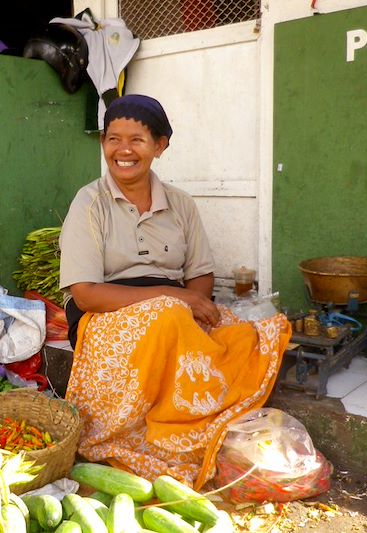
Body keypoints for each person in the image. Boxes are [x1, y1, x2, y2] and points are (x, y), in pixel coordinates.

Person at [58, 94, 292, 489]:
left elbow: (199, 276)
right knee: (167, 316)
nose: (123, 150)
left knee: (252, 333)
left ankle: (203, 426)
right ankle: (163, 437)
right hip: (105, 313)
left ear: (160, 146)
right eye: (113, 139)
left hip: (172, 312)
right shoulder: (90, 202)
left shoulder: (180, 204)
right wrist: (178, 300)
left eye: (137, 139)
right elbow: (85, 294)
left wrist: (191, 302)